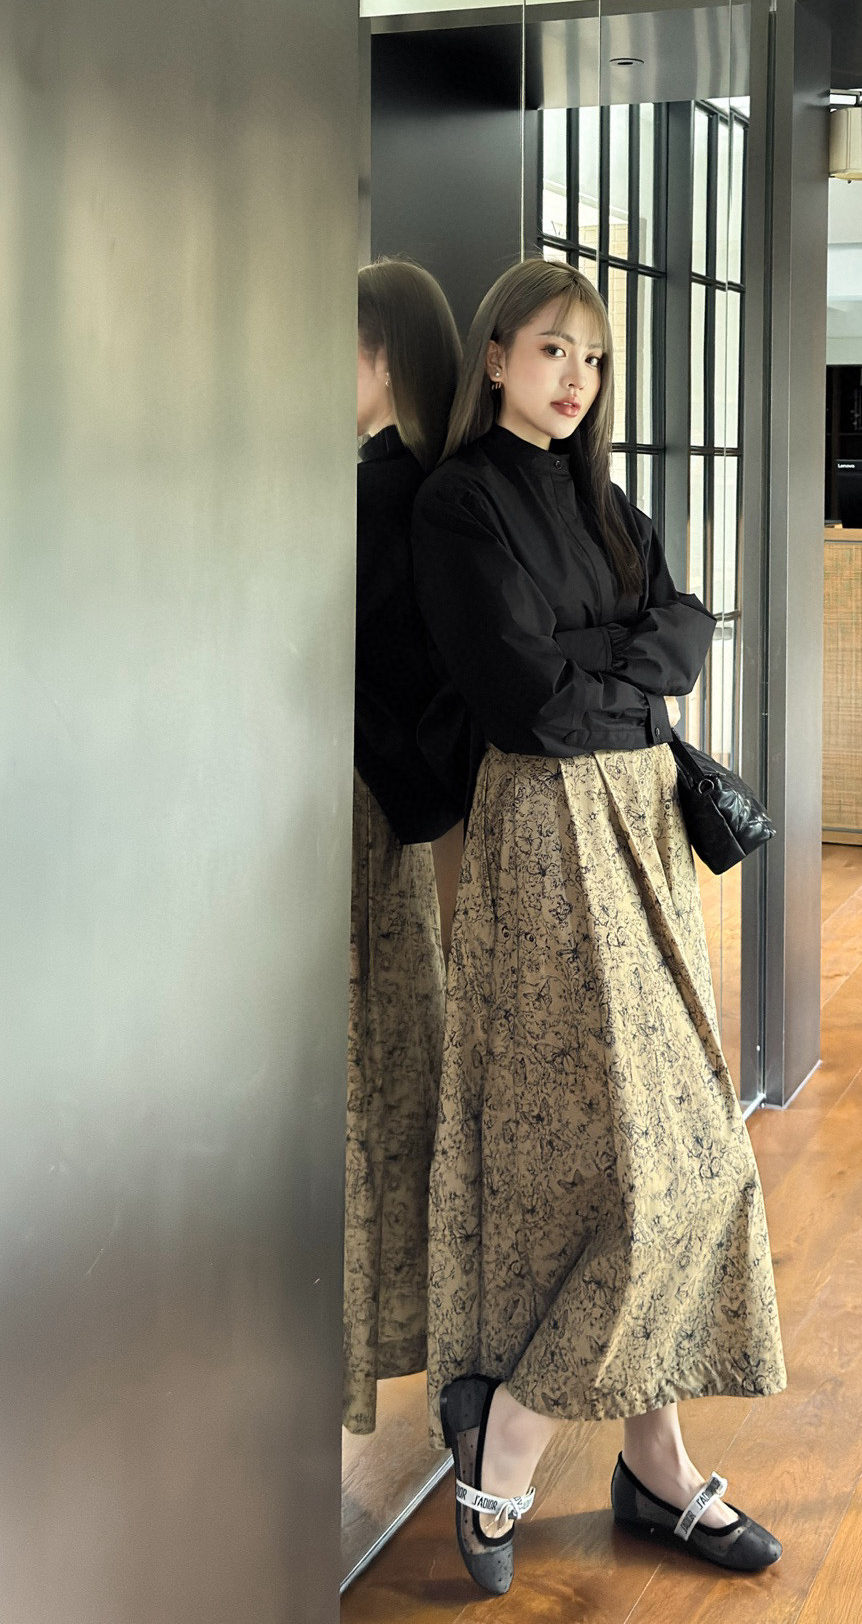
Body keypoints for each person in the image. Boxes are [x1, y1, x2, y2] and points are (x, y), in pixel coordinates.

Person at [412, 258, 786, 1596]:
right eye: (553, 349)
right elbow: (525, 700)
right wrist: (621, 670)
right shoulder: (459, 502)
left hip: (643, 834)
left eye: (593, 358)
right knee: (624, 1161)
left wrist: (605, 665)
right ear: (497, 353)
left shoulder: (604, 499)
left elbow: (684, 630)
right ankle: (564, 1441)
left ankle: (606, 1445)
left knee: (678, 1149)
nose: (575, 377)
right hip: (544, 839)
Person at [345, 258, 466, 1435]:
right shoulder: (424, 489)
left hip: (361, 815)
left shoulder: (382, 494)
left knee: (366, 1066)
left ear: (382, 358)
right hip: (404, 819)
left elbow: (369, 677)